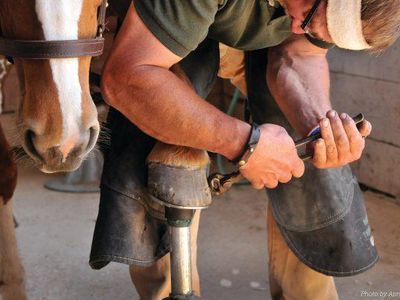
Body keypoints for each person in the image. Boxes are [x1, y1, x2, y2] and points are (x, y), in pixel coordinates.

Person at [89, 0, 400, 299]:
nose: (297, 26)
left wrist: (319, 128)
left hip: (252, 35)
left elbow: (299, 54)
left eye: (316, 30)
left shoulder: (323, 12)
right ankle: (168, 290)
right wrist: (244, 144)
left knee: (305, 158)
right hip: (170, 31)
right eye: (307, 18)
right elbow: (127, 78)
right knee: (164, 152)